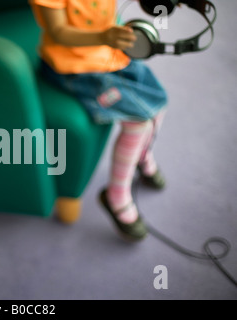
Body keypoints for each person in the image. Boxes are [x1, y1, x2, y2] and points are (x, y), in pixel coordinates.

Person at [29, 0, 168, 241]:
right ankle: (116, 196)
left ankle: (140, 155)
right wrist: (105, 36)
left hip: (111, 52)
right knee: (139, 120)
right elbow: (58, 31)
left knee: (159, 102)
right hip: (74, 68)